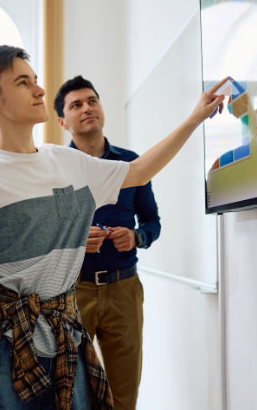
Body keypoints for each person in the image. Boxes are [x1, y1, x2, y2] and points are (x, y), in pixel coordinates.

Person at [0, 44, 225, 410]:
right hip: (8, 340)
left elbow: (139, 171)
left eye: (35, 79)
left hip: (65, 333)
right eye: (23, 82)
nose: (40, 90)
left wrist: (194, 119)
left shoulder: (64, 160)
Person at [54, 75, 159, 410]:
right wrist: (75, 240)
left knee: (124, 393)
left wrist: (137, 236)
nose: (87, 108)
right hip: (72, 291)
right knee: (69, 392)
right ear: (62, 121)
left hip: (123, 291)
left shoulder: (131, 164)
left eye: (92, 101)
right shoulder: (55, 168)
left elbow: (152, 221)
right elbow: (47, 233)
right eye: (76, 105)